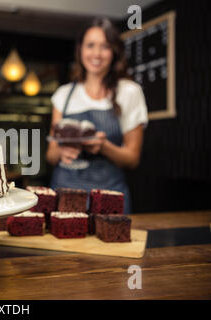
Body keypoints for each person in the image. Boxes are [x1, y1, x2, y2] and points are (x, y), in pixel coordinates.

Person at [46, 18, 148, 214]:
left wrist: (104, 147)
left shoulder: (129, 92)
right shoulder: (63, 94)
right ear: (80, 50)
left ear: (114, 52)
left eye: (105, 47)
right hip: (64, 196)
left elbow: (133, 158)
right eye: (90, 45)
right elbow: (50, 155)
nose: (96, 54)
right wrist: (62, 151)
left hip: (109, 199)